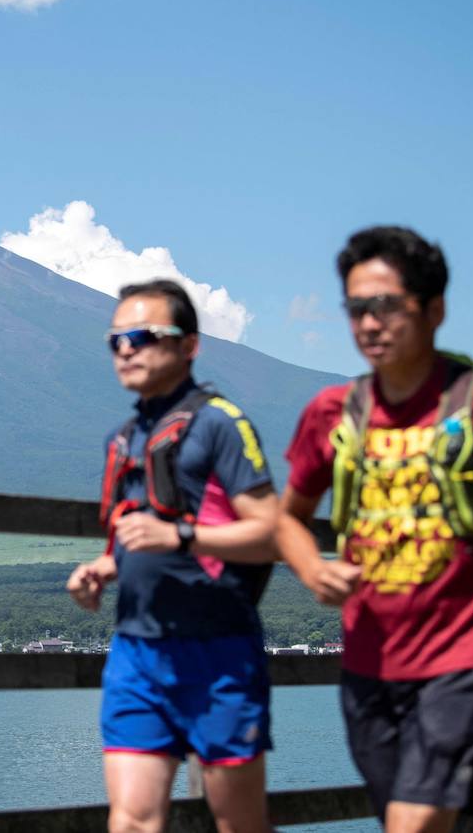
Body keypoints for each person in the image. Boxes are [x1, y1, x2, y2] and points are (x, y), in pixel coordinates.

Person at [276, 226, 473, 833]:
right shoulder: (333, 413)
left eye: (385, 305)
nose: (368, 323)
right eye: (356, 308)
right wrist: (311, 568)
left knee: (413, 824)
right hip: (369, 659)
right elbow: (289, 517)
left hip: (467, 651)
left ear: (435, 310)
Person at [67, 278, 279, 833]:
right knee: (133, 820)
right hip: (137, 653)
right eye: (116, 339)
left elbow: (269, 531)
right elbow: (129, 539)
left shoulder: (221, 425)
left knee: (239, 824)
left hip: (220, 654)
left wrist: (181, 536)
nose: (127, 348)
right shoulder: (123, 438)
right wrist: (102, 570)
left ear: (189, 345)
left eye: (142, 335)